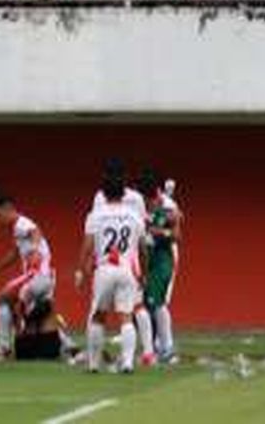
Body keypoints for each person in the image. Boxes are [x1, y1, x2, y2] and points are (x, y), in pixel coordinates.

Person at [76, 171, 147, 374]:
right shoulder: (134, 215)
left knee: (98, 316)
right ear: (123, 194)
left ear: (104, 194)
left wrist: (81, 271)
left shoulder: (95, 215)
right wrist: (144, 272)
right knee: (126, 315)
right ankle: (127, 363)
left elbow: (87, 246)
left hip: (104, 269)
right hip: (126, 269)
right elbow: (142, 248)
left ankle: (93, 364)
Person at [92, 159, 156, 367]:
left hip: (109, 257)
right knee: (134, 307)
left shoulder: (100, 197)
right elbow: (143, 225)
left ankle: (96, 359)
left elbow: (95, 229)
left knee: (100, 311)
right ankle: (147, 353)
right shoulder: (135, 199)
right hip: (131, 256)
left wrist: (90, 263)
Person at [0, 196, 55, 359]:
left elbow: (36, 231)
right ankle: (68, 346)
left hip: (36, 277)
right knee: (38, 313)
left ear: (7, 209)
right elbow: (14, 254)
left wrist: (37, 252)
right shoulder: (17, 229)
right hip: (42, 278)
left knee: (1, 299)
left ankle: (5, 347)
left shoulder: (22, 223)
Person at [141, 171, 183, 364]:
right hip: (147, 257)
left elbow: (177, 230)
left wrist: (160, 231)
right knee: (149, 302)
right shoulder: (142, 205)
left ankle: (166, 347)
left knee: (158, 301)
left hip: (164, 256)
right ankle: (157, 345)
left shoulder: (167, 207)